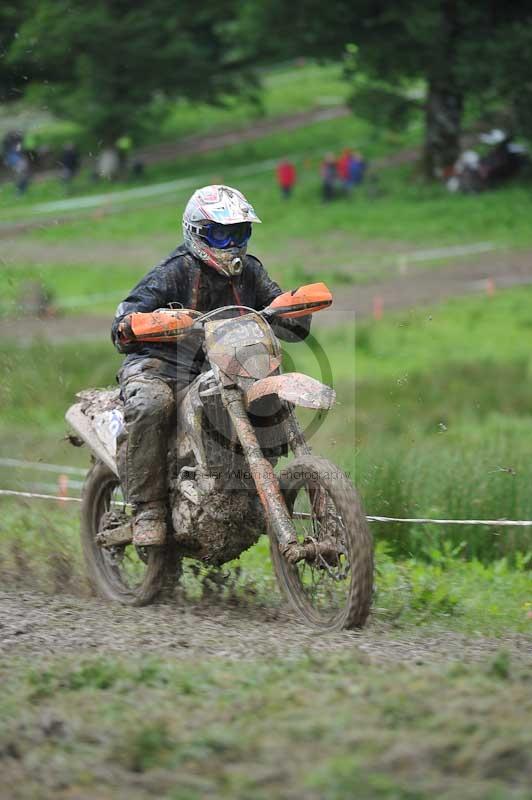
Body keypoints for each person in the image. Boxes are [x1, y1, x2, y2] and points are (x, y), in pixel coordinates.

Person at [111, 185, 312, 546]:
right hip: (161, 366)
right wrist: (141, 323)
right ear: (198, 233)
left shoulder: (249, 271)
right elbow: (125, 318)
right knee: (152, 405)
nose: (232, 243)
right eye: (222, 234)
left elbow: (276, 304)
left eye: (240, 233)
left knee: (268, 381)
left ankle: (252, 480)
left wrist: (292, 310)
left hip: (222, 365)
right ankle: (148, 508)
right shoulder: (174, 271)